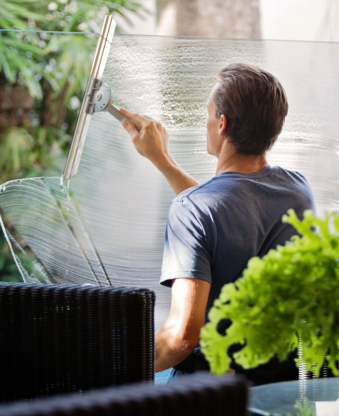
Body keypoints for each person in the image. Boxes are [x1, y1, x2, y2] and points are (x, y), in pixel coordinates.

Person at [119, 63, 315, 385]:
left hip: (212, 392)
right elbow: (229, 208)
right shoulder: (298, 191)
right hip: (280, 387)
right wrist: (163, 161)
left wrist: (112, 364)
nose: (207, 121)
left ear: (222, 124)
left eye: (208, 114)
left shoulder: (193, 209)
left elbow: (181, 338)